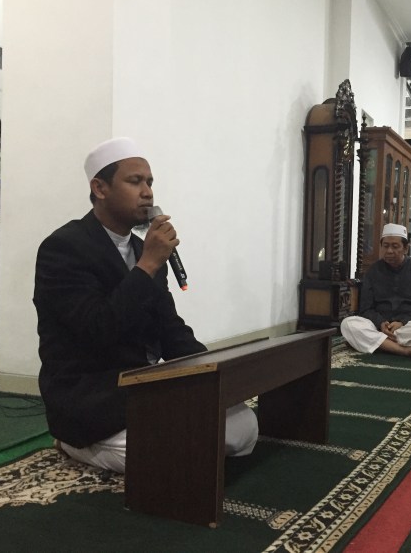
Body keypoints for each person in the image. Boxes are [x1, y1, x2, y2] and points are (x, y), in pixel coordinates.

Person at [34, 137, 258, 472]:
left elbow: (170, 329)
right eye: (135, 181)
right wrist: (148, 265)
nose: (147, 193)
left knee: (244, 425)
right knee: (178, 451)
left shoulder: (143, 250)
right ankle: (76, 444)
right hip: (91, 396)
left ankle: (166, 442)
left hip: (142, 387)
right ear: (100, 188)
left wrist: (214, 373)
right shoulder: (64, 248)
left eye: (150, 182)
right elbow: (98, 330)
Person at [340, 223, 411, 360]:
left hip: (405, 328)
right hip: (378, 326)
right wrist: (381, 323)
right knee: (348, 324)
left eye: (395, 246)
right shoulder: (373, 272)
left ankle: (376, 343)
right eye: (385, 246)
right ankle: (404, 351)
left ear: (405, 248)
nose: (389, 251)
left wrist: (402, 322)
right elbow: (365, 309)